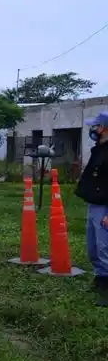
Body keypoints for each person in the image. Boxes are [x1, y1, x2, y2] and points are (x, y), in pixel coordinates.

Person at [75, 111, 108, 307]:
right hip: (95, 204)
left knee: (105, 248)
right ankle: (101, 279)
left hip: (105, 207)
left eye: (96, 126)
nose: (93, 129)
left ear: (104, 128)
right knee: (94, 247)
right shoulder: (99, 148)